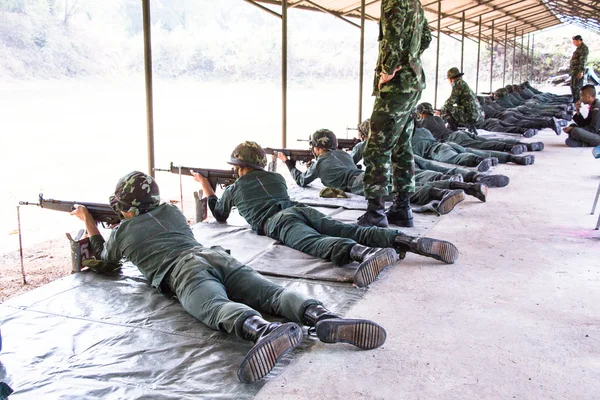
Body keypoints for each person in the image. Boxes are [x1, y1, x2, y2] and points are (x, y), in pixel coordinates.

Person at [71, 171, 389, 384]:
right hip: (218, 256)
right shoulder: (171, 212)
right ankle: (321, 316)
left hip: (183, 271)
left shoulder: (123, 233)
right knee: (273, 294)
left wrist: (90, 224)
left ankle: (264, 331)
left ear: (124, 209)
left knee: (215, 307)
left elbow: (105, 261)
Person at [194, 141, 459, 286]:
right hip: (302, 210)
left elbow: (218, 214)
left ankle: (363, 254)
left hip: (276, 221)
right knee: (347, 229)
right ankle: (405, 240)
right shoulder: (275, 177)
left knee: (313, 243)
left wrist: (207, 187)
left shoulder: (236, 187)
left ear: (239, 167)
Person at [284, 129, 485, 215]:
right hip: (367, 175)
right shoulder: (342, 155)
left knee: (400, 193)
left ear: (318, 147)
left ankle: (442, 193)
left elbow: (302, 181)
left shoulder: (319, 162)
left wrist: (289, 164)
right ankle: (464, 185)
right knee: (405, 183)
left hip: (358, 184)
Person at [360, 0, 432, 228]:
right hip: (412, 83)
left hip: (397, 86)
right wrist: (411, 58)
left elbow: (392, 37)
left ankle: (376, 214)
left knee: (376, 148)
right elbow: (427, 37)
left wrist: (387, 70)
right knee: (402, 146)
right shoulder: (416, 3)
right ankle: (402, 208)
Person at [416, 102, 544, 153]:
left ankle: (511, 147)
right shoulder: (438, 118)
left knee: (484, 146)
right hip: (459, 134)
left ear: (421, 113)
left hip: (454, 138)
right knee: (485, 141)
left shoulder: (423, 124)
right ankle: (524, 144)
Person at [441, 67, 483, 131]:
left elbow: (451, 100)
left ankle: (452, 130)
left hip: (471, 116)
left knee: (445, 108)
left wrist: (440, 110)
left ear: (450, 79)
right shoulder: (463, 83)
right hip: (477, 115)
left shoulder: (458, 83)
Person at [570, 35, 589, 103]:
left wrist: (581, 71)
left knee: (577, 88)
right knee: (573, 87)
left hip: (578, 71)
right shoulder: (578, 48)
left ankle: (577, 102)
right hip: (574, 71)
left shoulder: (583, 48)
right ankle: (575, 101)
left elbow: (583, 61)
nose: (573, 43)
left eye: (574, 41)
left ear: (579, 40)